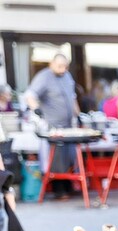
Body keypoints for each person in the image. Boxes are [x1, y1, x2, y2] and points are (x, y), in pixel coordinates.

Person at [24, 53, 79, 199]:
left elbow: (73, 98)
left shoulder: (67, 77)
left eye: (65, 66)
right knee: (56, 159)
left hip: (68, 125)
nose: (63, 69)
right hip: (53, 126)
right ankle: (59, 190)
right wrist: (36, 109)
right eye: (59, 66)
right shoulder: (44, 77)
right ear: (52, 64)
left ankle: (69, 186)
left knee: (70, 157)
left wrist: (78, 115)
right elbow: (30, 95)